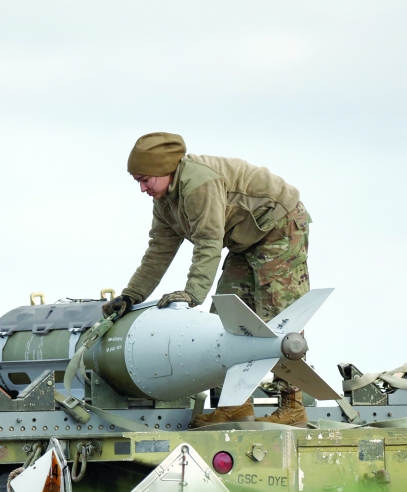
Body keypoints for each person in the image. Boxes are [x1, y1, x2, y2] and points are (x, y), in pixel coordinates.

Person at [102, 132, 313, 427]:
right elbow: (159, 250)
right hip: (244, 240)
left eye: (145, 179)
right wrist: (131, 295)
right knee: (226, 319)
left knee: (278, 316)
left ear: (165, 170)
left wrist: (192, 295)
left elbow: (209, 242)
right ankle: (233, 407)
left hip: (279, 226)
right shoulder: (165, 201)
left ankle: (293, 408)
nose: (142, 188)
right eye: (137, 180)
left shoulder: (198, 184)